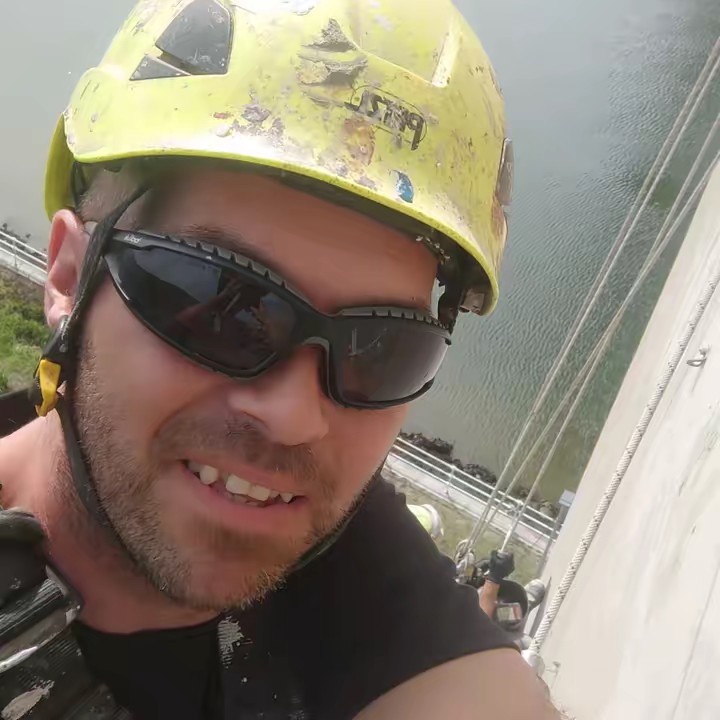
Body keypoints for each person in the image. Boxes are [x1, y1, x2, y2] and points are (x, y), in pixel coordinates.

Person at [0, 0, 559, 717]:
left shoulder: (365, 583)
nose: (297, 416)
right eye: (224, 302)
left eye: (381, 347)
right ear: (69, 278)